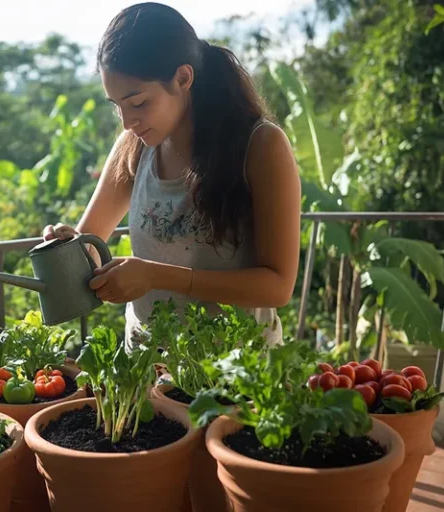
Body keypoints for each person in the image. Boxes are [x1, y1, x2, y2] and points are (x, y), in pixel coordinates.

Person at [42, 2, 301, 347]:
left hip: (237, 375)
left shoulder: (260, 145)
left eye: (137, 103)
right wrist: (67, 244)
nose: (127, 121)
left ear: (182, 78)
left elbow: (277, 286)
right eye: (116, 105)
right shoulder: (133, 148)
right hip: (148, 368)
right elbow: (90, 245)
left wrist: (155, 276)